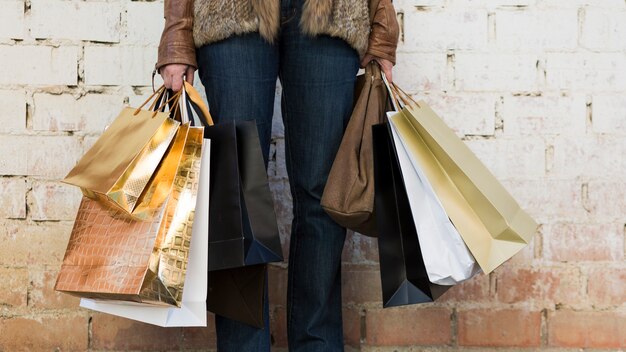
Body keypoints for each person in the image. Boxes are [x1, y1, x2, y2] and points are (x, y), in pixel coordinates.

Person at [156, 0, 399, 350]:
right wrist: (177, 36)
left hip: (332, 11)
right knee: (238, 193)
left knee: (325, 196)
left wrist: (382, 28)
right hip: (231, 11)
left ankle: (318, 344)